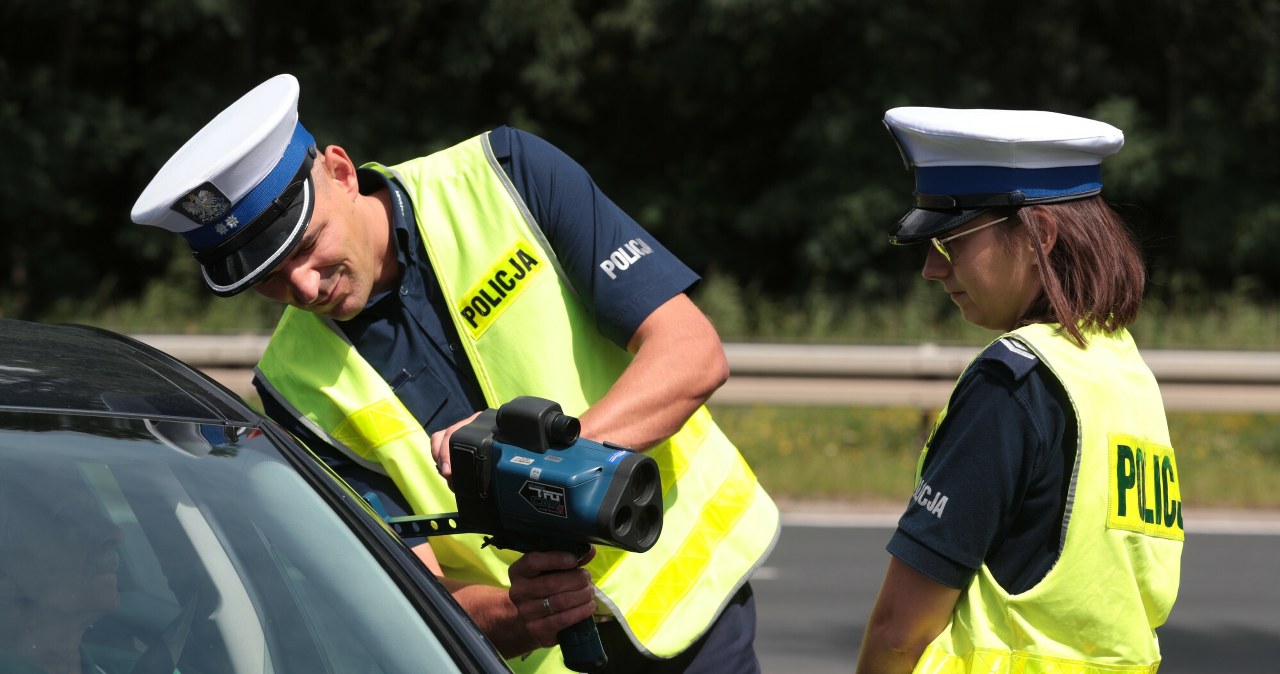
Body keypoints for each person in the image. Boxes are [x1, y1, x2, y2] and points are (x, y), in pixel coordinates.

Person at [130, 74, 779, 674]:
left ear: (340, 170)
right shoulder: (291, 388)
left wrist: (541, 461)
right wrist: (520, 616)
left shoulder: (505, 175)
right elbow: (403, 597)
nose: (301, 285)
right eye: (266, 279)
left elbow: (692, 353)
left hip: (701, 624)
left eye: (305, 246)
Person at [856, 107, 1183, 673]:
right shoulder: (1125, 372)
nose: (932, 271)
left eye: (949, 242)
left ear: (1041, 237)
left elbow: (899, 632)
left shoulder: (1012, 384)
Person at [0, 462, 127, 674]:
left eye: (99, 515)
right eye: (72, 519)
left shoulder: (140, 666)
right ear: (3, 573)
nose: (116, 533)